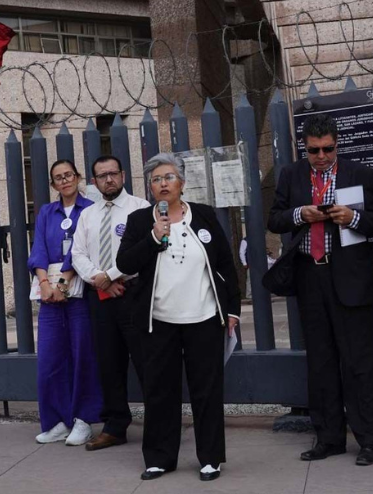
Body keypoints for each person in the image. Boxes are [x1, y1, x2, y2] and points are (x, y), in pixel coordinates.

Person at [268, 113, 373, 466]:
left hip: (349, 277)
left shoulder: (358, 174)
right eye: (314, 150)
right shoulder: (291, 174)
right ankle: (329, 437)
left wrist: (354, 219)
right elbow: (274, 218)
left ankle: (368, 441)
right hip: (310, 276)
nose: (321, 156)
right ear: (304, 147)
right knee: (320, 363)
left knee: (359, 363)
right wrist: (301, 214)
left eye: (327, 149)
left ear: (338, 144)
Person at [116, 152, 240, 482]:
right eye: (156, 179)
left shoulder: (204, 215)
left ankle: (210, 458)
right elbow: (125, 263)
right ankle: (159, 458)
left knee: (207, 390)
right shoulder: (141, 222)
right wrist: (154, 236)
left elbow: (225, 265)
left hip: (203, 317)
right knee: (159, 391)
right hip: (159, 320)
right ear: (151, 188)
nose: (163, 183)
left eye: (169, 177)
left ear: (182, 182)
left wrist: (231, 310)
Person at [71, 155, 150, 451]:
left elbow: (145, 250)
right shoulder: (87, 215)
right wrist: (99, 278)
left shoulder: (140, 209)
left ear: (123, 175)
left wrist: (113, 276)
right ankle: (116, 425)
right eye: (102, 176)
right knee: (109, 363)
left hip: (133, 292)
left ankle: (159, 422)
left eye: (113, 174)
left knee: (145, 359)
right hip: (100, 297)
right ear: (94, 181)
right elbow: (78, 254)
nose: (108, 180)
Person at [27, 159, 103, 446]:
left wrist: (64, 282)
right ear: (53, 183)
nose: (64, 180)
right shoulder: (47, 212)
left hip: (79, 288)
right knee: (50, 358)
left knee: (82, 354)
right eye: (58, 177)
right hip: (49, 294)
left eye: (68, 175)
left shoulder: (90, 210)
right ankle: (57, 420)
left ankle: (83, 419)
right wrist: (45, 283)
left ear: (78, 177)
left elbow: (82, 248)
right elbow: (39, 250)